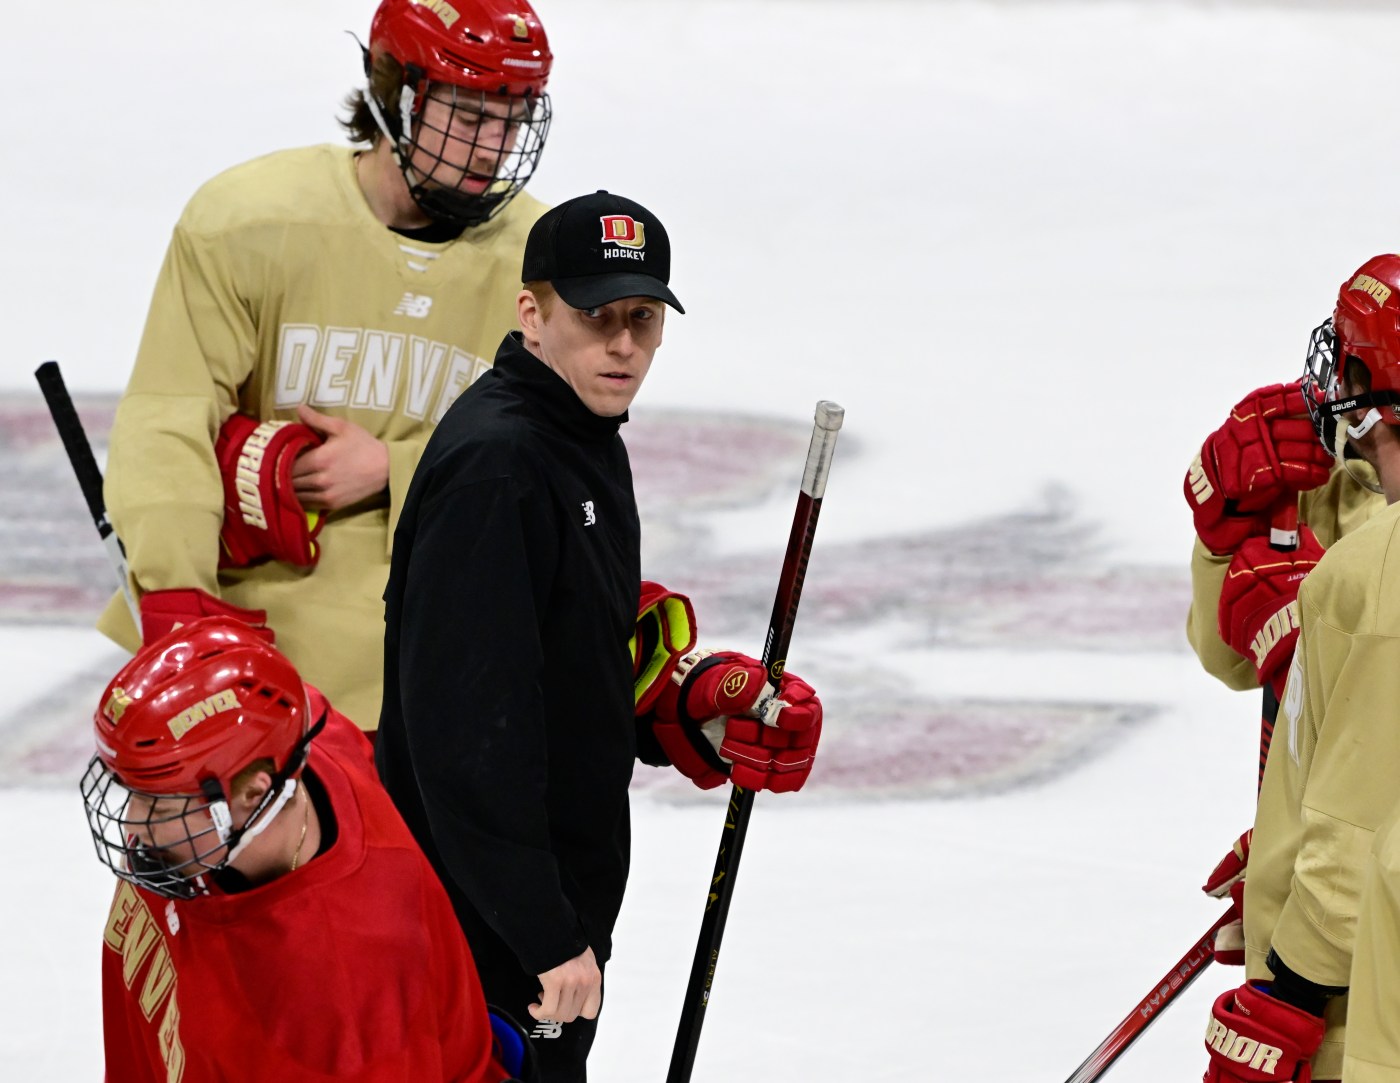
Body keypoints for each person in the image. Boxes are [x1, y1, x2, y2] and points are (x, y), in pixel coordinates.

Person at [374, 190, 825, 1081]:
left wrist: (683, 701)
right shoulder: (500, 466)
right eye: (595, 316)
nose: (623, 345)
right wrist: (542, 932)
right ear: (532, 314)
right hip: (485, 930)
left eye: (642, 319)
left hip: (545, 908)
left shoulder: (580, 432)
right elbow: (463, 737)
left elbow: (568, 642)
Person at [97, 0, 554, 731]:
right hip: (252, 668)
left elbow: (563, 468)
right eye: (471, 117)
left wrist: (394, 467)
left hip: (445, 662)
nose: (493, 149)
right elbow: (168, 419)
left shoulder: (542, 259)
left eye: (515, 120)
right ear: (395, 95)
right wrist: (177, 599)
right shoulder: (248, 221)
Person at [81, 616, 535, 1082]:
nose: (133, 824)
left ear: (254, 794)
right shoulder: (302, 739)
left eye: (159, 805)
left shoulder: (343, 998)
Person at [1199, 253, 1400, 1083]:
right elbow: (1225, 652)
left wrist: (1288, 988)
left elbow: (1363, 832)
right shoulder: (1342, 491)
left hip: (1363, 1012)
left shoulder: (1380, 569)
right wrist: (1286, 848)